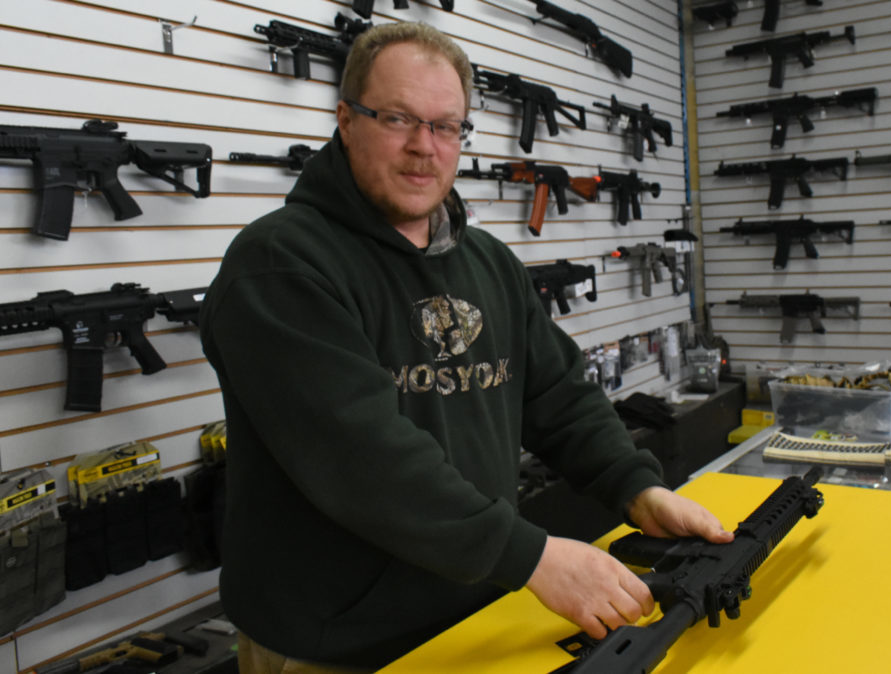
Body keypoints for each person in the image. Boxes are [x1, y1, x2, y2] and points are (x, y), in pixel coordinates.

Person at [199, 21, 733, 673]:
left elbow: (558, 395)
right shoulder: (279, 266)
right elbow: (365, 460)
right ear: (346, 119)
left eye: (446, 126)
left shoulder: (486, 260)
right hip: (336, 643)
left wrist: (636, 488)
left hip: (477, 612)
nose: (425, 148)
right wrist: (533, 557)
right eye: (398, 118)